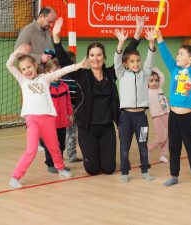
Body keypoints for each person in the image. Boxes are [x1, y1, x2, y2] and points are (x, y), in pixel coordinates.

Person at [52, 17, 144, 175]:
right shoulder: (82, 75)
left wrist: (136, 34)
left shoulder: (110, 73)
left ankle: (103, 154)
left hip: (107, 127)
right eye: (92, 55)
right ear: (88, 57)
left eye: (99, 55)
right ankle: (94, 155)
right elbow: (63, 59)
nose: (95, 58)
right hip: (87, 128)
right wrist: (56, 36)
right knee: (92, 170)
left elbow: (126, 57)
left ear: (104, 57)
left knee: (109, 169)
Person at [6, 44, 87, 188]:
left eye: (29, 67)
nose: (27, 71)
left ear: (35, 65)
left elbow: (62, 70)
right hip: (32, 120)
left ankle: (60, 168)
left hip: (48, 119)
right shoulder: (23, 80)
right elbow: (9, 64)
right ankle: (16, 177)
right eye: (23, 69)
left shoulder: (45, 78)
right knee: (31, 150)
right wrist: (17, 53)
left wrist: (78, 65)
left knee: (54, 146)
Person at [156, 22, 191, 188]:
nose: (177, 56)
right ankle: (174, 175)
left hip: (188, 117)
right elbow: (166, 55)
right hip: (173, 116)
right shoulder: (174, 69)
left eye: (181, 54)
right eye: (178, 54)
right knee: (174, 148)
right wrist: (160, 39)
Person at [114, 28, 156, 183]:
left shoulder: (145, 73)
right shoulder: (121, 74)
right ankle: (124, 172)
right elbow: (117, 60)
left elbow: (150, 60)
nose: (136, 63)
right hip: (126, 118)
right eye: (132, 61)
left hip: (141, 118)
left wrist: (151, 43)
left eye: (138, 60)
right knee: (124, 147)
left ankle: (145, 170)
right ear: (125, 63)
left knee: (143, 145)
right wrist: (120, 44)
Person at [40, 59, 73, 173]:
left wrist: (70, 114)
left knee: (61, 144)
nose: (57, 74)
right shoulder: (45, 88)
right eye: (54, 71)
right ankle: (50, 164)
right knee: (50, 145)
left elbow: (68, 102)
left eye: (59, 71)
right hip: (50, 123)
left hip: (62, 121)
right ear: (47, 72)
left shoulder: (65, 86)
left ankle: (60, 163)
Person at [147, 67, 169, 163]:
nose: (154, 82)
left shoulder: (159, 87)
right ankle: (148, 149)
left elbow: (162, 76)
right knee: (161, 137)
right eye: (151, 81)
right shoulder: (147, 91)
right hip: (157, 116)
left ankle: (163, 155)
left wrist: (154, 68)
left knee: (167, 136)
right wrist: (148, 69)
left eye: (156, 80)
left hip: (166, 114)